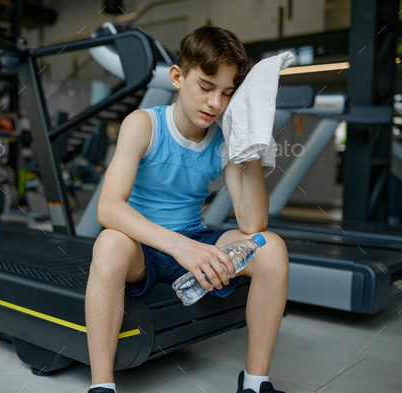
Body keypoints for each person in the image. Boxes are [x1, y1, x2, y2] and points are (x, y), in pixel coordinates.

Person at [85, 25, 289, 393]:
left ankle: (256, 383)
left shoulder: (224, 139)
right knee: (109, 243)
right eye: (207, 87)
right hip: (142, 246)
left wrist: (253, 141)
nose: (216, 104)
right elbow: (109, 208)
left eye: (227, 93)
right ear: (178, 77)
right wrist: (182, 247)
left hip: (193, 237)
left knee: (271, 246)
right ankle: (102, 386)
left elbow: (252, 222)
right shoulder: (143, 124)